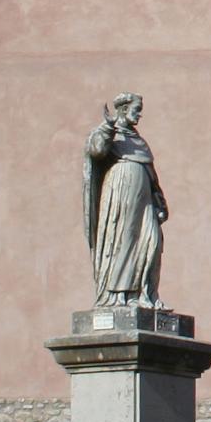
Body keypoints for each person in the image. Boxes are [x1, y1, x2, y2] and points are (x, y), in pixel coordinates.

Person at [83, 92, 168, 308]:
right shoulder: (111, 135)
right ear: (123, 109)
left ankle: (145, 294)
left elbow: (151, 174)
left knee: (152, 242)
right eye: (136, 109)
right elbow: (96, 151)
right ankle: (118, 296)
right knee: (123, 241)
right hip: (121, 198)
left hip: (145, 203)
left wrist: (159, 202)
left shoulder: (138, 141)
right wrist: (108, 127)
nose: (140, 115)